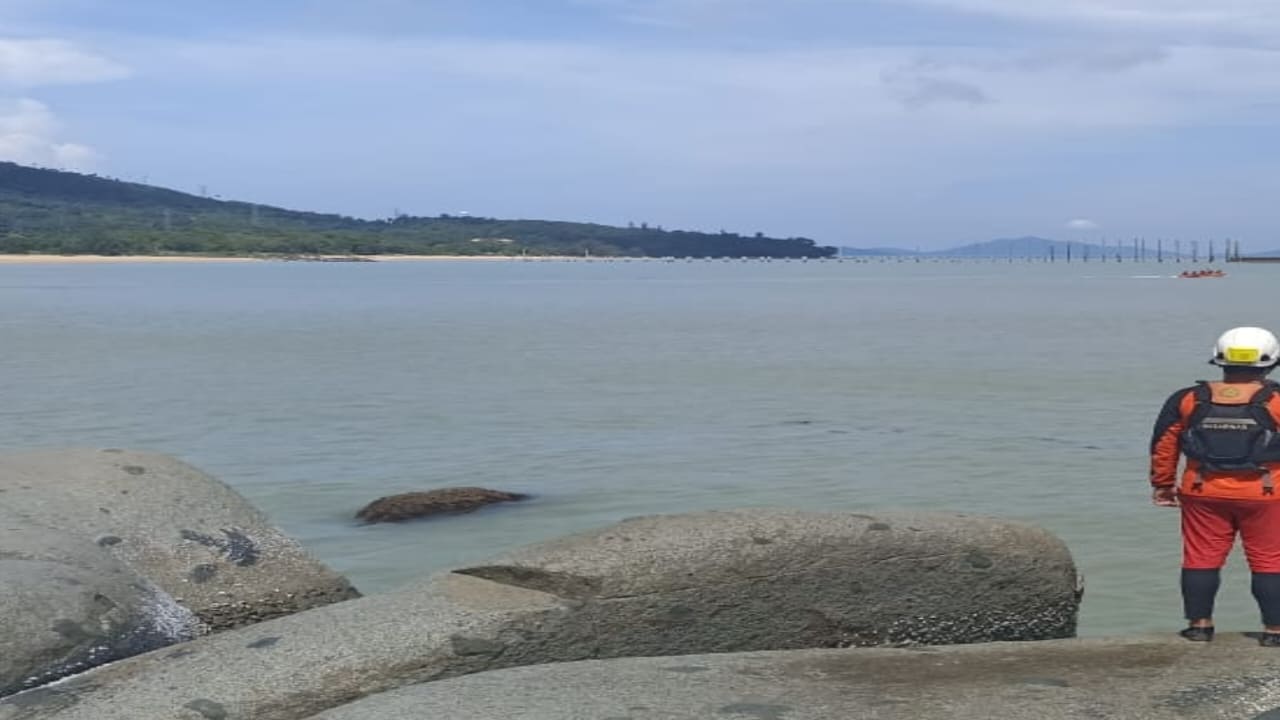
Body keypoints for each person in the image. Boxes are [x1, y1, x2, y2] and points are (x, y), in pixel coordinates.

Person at [1150, 326, 1280, 644]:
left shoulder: (1187, 398)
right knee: (1269, 560)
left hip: (1201, 490)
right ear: (1271, 363)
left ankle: (1200, 626)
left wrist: (1162, 484)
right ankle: (1274, 632)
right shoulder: (1276, 400)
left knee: (1200, 558)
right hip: (1266, 492)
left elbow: (1164, 444)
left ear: (1219, 361)